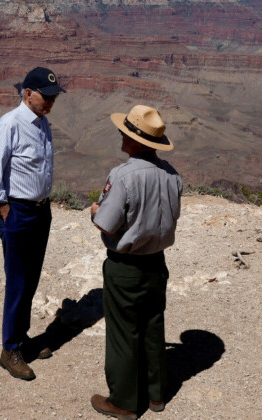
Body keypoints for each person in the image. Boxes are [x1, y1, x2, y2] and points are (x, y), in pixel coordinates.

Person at [89, 105, 183, 419]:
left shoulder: (123, 175)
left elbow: (106, 223)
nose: (121, 135)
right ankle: (157, 395)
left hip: (124, 267)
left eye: (126, 132)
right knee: (154, 326)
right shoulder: (172, 175)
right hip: (157, 263)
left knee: (123, 332)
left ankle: (124, 402)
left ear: (137, 141)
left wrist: (93, 211)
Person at [0, 66, 65, 381]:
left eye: (54, 98)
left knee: (30, 278)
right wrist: (6, 211)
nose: (51, 103)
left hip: (41, 211)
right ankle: (9, 350)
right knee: (17, 280)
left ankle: (21, 336)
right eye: (47, 97)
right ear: (28, 93)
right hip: (17, 211)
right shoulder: (10, 124)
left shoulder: (42, 123)